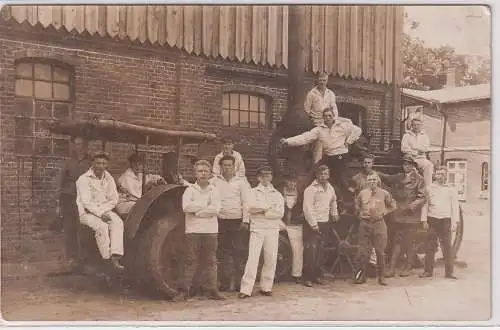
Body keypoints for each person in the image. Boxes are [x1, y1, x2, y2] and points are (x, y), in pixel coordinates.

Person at [173, 160, 225, 301]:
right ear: (195, 173)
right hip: (193, 230)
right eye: (200, 171)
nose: (203, 174)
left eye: (205, 171)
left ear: (210, 173)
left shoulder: (214, 190)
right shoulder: (189, 190)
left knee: (211, 261)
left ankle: (212, 290)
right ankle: (184, 291)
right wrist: (205, 205)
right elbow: (186, 208)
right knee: (190, 260)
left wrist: (198, 212)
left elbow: (216, 209)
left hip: (210, 230)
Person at [281, 108, 362, 195]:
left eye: (329, 116)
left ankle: (347, 202)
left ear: (333, 116)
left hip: (340, 157)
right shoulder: (319, 130)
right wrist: (288, 141)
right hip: (327, 156)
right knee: (315, 174)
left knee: (341, 181)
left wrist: (349, 141)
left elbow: (357, 130)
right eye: (325, 116)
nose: (328, 118)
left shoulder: (342, 126)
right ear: (323, 118)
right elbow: (305, 137)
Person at [239, 166, 284, 298]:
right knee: (252, 259)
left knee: (271, 258)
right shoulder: (252, 192)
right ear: (258, 177)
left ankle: (266, 287)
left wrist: (262, 211)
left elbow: (279, 213)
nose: (266, 178)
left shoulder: (277, 194)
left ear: (271, 177)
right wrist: (267, 209)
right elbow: (249, 208)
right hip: (257, 229)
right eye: (263, 175)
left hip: (272, 229)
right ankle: (246, 289)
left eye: (268, 175)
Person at [75, 151, 124, 271]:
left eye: (103, 163)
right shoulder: (83, 179)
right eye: (98, 163)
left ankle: (115, 256)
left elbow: (114, 199)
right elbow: (86, 202)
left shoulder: (109, 178)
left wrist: (104, 211)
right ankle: (106, 259)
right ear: (93, 163)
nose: (101, 166)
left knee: (118, 222)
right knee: (102, 226)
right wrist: (100, 213)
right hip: (87, 213)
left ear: (106, 165)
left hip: (104, 210)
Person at [380, 155, 427, 278]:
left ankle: (408, 267)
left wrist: (411, 207)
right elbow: (388, 178)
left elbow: (422, 197)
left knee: (410, 242)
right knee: (397, 241)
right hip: (400, 213)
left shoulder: (419, 179)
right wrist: (375, 172)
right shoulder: (399, 177)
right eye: (404, 164)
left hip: (411, 215)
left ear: (413, 166)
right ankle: (392, 268)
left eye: (408, 164)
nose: (406, 166)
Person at [210, 155, 251, 292]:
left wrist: (245, 220)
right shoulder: (215, 182)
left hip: (237, 221)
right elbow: (201, 187)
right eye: (225, 165)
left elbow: (246, 202)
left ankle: (239, 283)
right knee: (222, 252)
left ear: (234, 167)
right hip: (220, 221)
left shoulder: (242, 182)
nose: (227, 168)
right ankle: (225, 282)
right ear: (220, 167)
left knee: (238, 253)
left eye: (229, 165)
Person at [353, 173, 396, 286]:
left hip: (379, 224)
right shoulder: (362, 193)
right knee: (364, 252)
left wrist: (384, 212)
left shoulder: (384, 193)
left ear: (378, 181)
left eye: (374, 180)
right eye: (369, 180)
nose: (372, 182)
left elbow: (393, 205)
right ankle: (362, 276)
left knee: (380, 252)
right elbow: (357, 205)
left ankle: (381, 277)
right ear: (367, 182)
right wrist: (360, 215)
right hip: (365, 224)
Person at [54, 136, 91, 267]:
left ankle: (84, 258)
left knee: (84, 228)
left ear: (85, 146)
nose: (78, 147)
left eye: (81, 144)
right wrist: (58, 202)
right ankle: (71, 257)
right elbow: (61, 181)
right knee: (70, 228)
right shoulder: (69, 162)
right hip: (69, 198)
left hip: (85, 199)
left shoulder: (90, 162)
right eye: (76, 144)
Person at [302, 165, 339, 287]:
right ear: (317, 175)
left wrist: (334, 213)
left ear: (328, 175)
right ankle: (307, 278)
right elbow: (307, 208)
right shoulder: (310, 189)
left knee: (320, 252)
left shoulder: (330, 188)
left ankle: (316, 276)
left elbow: (333, 201)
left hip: (325, 222)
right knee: (311, 251)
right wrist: (313, 224)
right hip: (312, 224)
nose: (323, 176)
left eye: (325, 174)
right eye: (321, 174)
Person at [420, 166, 459, 280]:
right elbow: (425, 204)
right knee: (430, 246)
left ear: (446, 175)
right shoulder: (429, 188)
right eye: (438, 174)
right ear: (434, 175)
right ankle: (428, 271)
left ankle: (449, 273)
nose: (440, 176)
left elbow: (454, 206)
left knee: (447, 247)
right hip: (432, 219)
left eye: (443, 174)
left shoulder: (451, 189)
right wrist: (424, 220)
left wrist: (454, 222)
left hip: (446, 220)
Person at [281, 173, 306, 284]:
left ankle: (296, 274)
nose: (292, 184)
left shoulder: (301, 195)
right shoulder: (279, 193)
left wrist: (300, 216)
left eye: (294, 181)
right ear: (286, 182)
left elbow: (305, 208)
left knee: (297, 249)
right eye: (290, 181)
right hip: (281, 222)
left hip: (295, 225)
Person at [401, 117, 434, 188]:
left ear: (421, 126)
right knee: (412, 169)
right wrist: (415, 152)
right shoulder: (407, 135)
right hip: (410, 158)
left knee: (429, 165)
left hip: (421, 158)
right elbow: (404, 148)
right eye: (414, 125)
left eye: (418, 125)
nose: (416, 127)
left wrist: (416, 149)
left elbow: (426, 148)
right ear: (411, 126)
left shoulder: (424, 136)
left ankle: (427, 187)